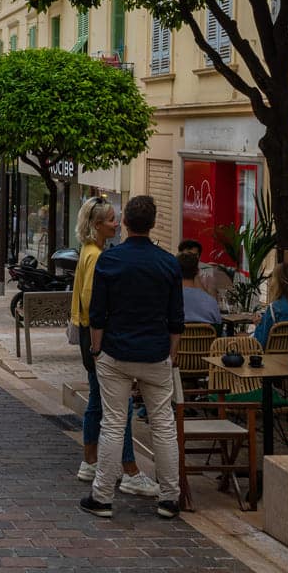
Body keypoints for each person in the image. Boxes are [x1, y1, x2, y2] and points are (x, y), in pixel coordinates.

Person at [81, 196, 183, 520]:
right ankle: (169, 498)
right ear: (153, 223)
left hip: (116, 352)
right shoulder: (169, 263)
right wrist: (172, 354)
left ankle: (102, 497)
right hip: (155, 353)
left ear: (124, 223)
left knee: (113, 423)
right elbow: (176, 317)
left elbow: (97, 314)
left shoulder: (109, 262)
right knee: (163, 425)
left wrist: (97, 349)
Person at [69, 197, 159, 499]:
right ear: (97, 225)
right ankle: (129, 469)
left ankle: (90, 461)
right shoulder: (97, 256)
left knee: (98, 400)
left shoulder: (89, 251)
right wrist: (101, 343)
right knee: (119, 407)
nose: (116, 223)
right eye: (110, 219)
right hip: (99, 337)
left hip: (87, 334)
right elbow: (93, 302)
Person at [180, 253, 222, 328]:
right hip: (209, 339)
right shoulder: (211, 301)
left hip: (176, 339)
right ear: (198, 272)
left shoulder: (168, 299)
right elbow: (218, 326)